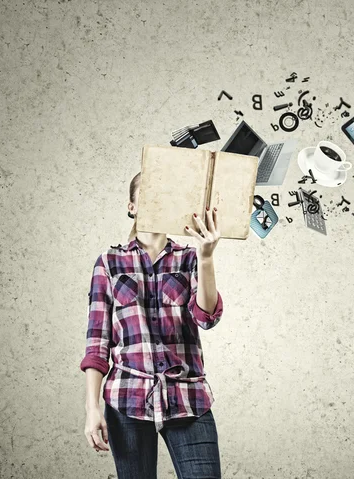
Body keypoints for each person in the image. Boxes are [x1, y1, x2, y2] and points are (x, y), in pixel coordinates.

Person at [80, 171, 224, 478]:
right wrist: (92, 409)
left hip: (187, 398)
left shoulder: (189, 258)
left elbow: (206, 317)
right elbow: (97, 344)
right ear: (132, 206)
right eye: (147, 194)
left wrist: (207, 258)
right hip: (126, 399)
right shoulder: (109, 263)